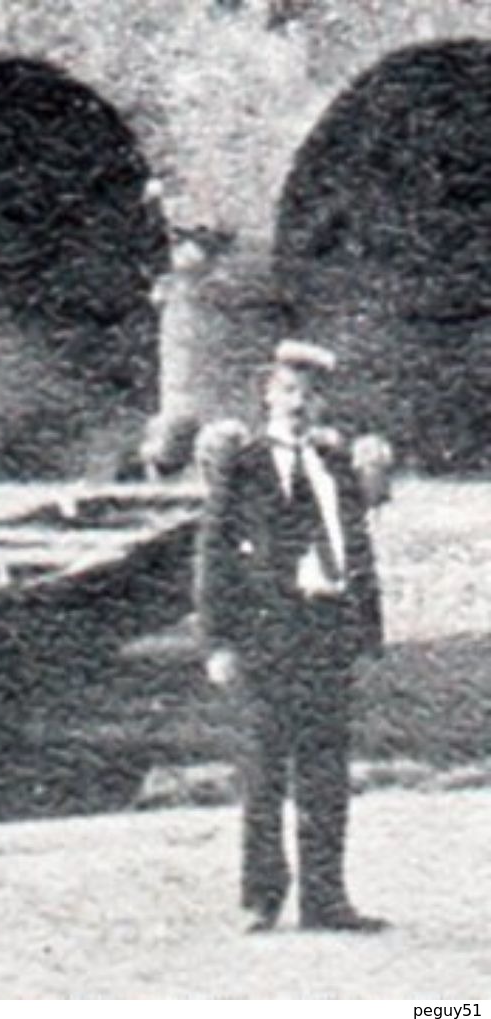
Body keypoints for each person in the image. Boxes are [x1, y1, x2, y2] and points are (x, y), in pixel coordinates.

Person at [195, 339, 389, 934]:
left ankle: (327, 898)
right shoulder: (244, 464)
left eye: (308, 394)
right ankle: (262, 897)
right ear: (267, 396)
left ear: (321, 401)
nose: (297, 405)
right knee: (263, 771)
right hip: (264, 634)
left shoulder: (335, 466)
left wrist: (368, 631)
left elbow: (357, 545)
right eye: (286, 392)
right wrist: (218, 641)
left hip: (326, 631)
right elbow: (215, 556)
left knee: (326, 773)